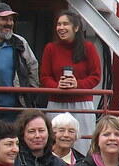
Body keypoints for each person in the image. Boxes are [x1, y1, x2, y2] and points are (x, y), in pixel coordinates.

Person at [40, 11, 101, 147]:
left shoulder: (88, 48)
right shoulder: (50, 48)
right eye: (59, 24)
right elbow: (44, 77)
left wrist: (77, 84)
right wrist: (57, 86)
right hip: (56, 103)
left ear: (76, 27)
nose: (61, 28)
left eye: (65, 24)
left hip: (82, 105)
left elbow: (96, 76)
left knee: (82, 144)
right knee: (55, 143)